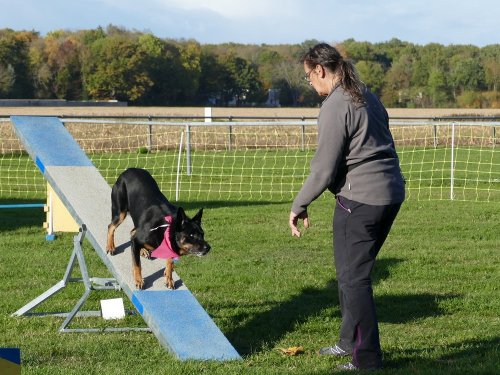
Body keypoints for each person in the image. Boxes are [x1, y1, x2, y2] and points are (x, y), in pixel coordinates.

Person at [288, 43, 405, 371]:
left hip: (361, 199)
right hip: (390, 192)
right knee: (353, 275)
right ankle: (347, 342)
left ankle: (366, 359)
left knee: (354, 280)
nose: (311, 85)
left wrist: (300, 203)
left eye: (309, 78)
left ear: (320, 70)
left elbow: (324, 167)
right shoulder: (365, 94)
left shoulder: (336, 104)